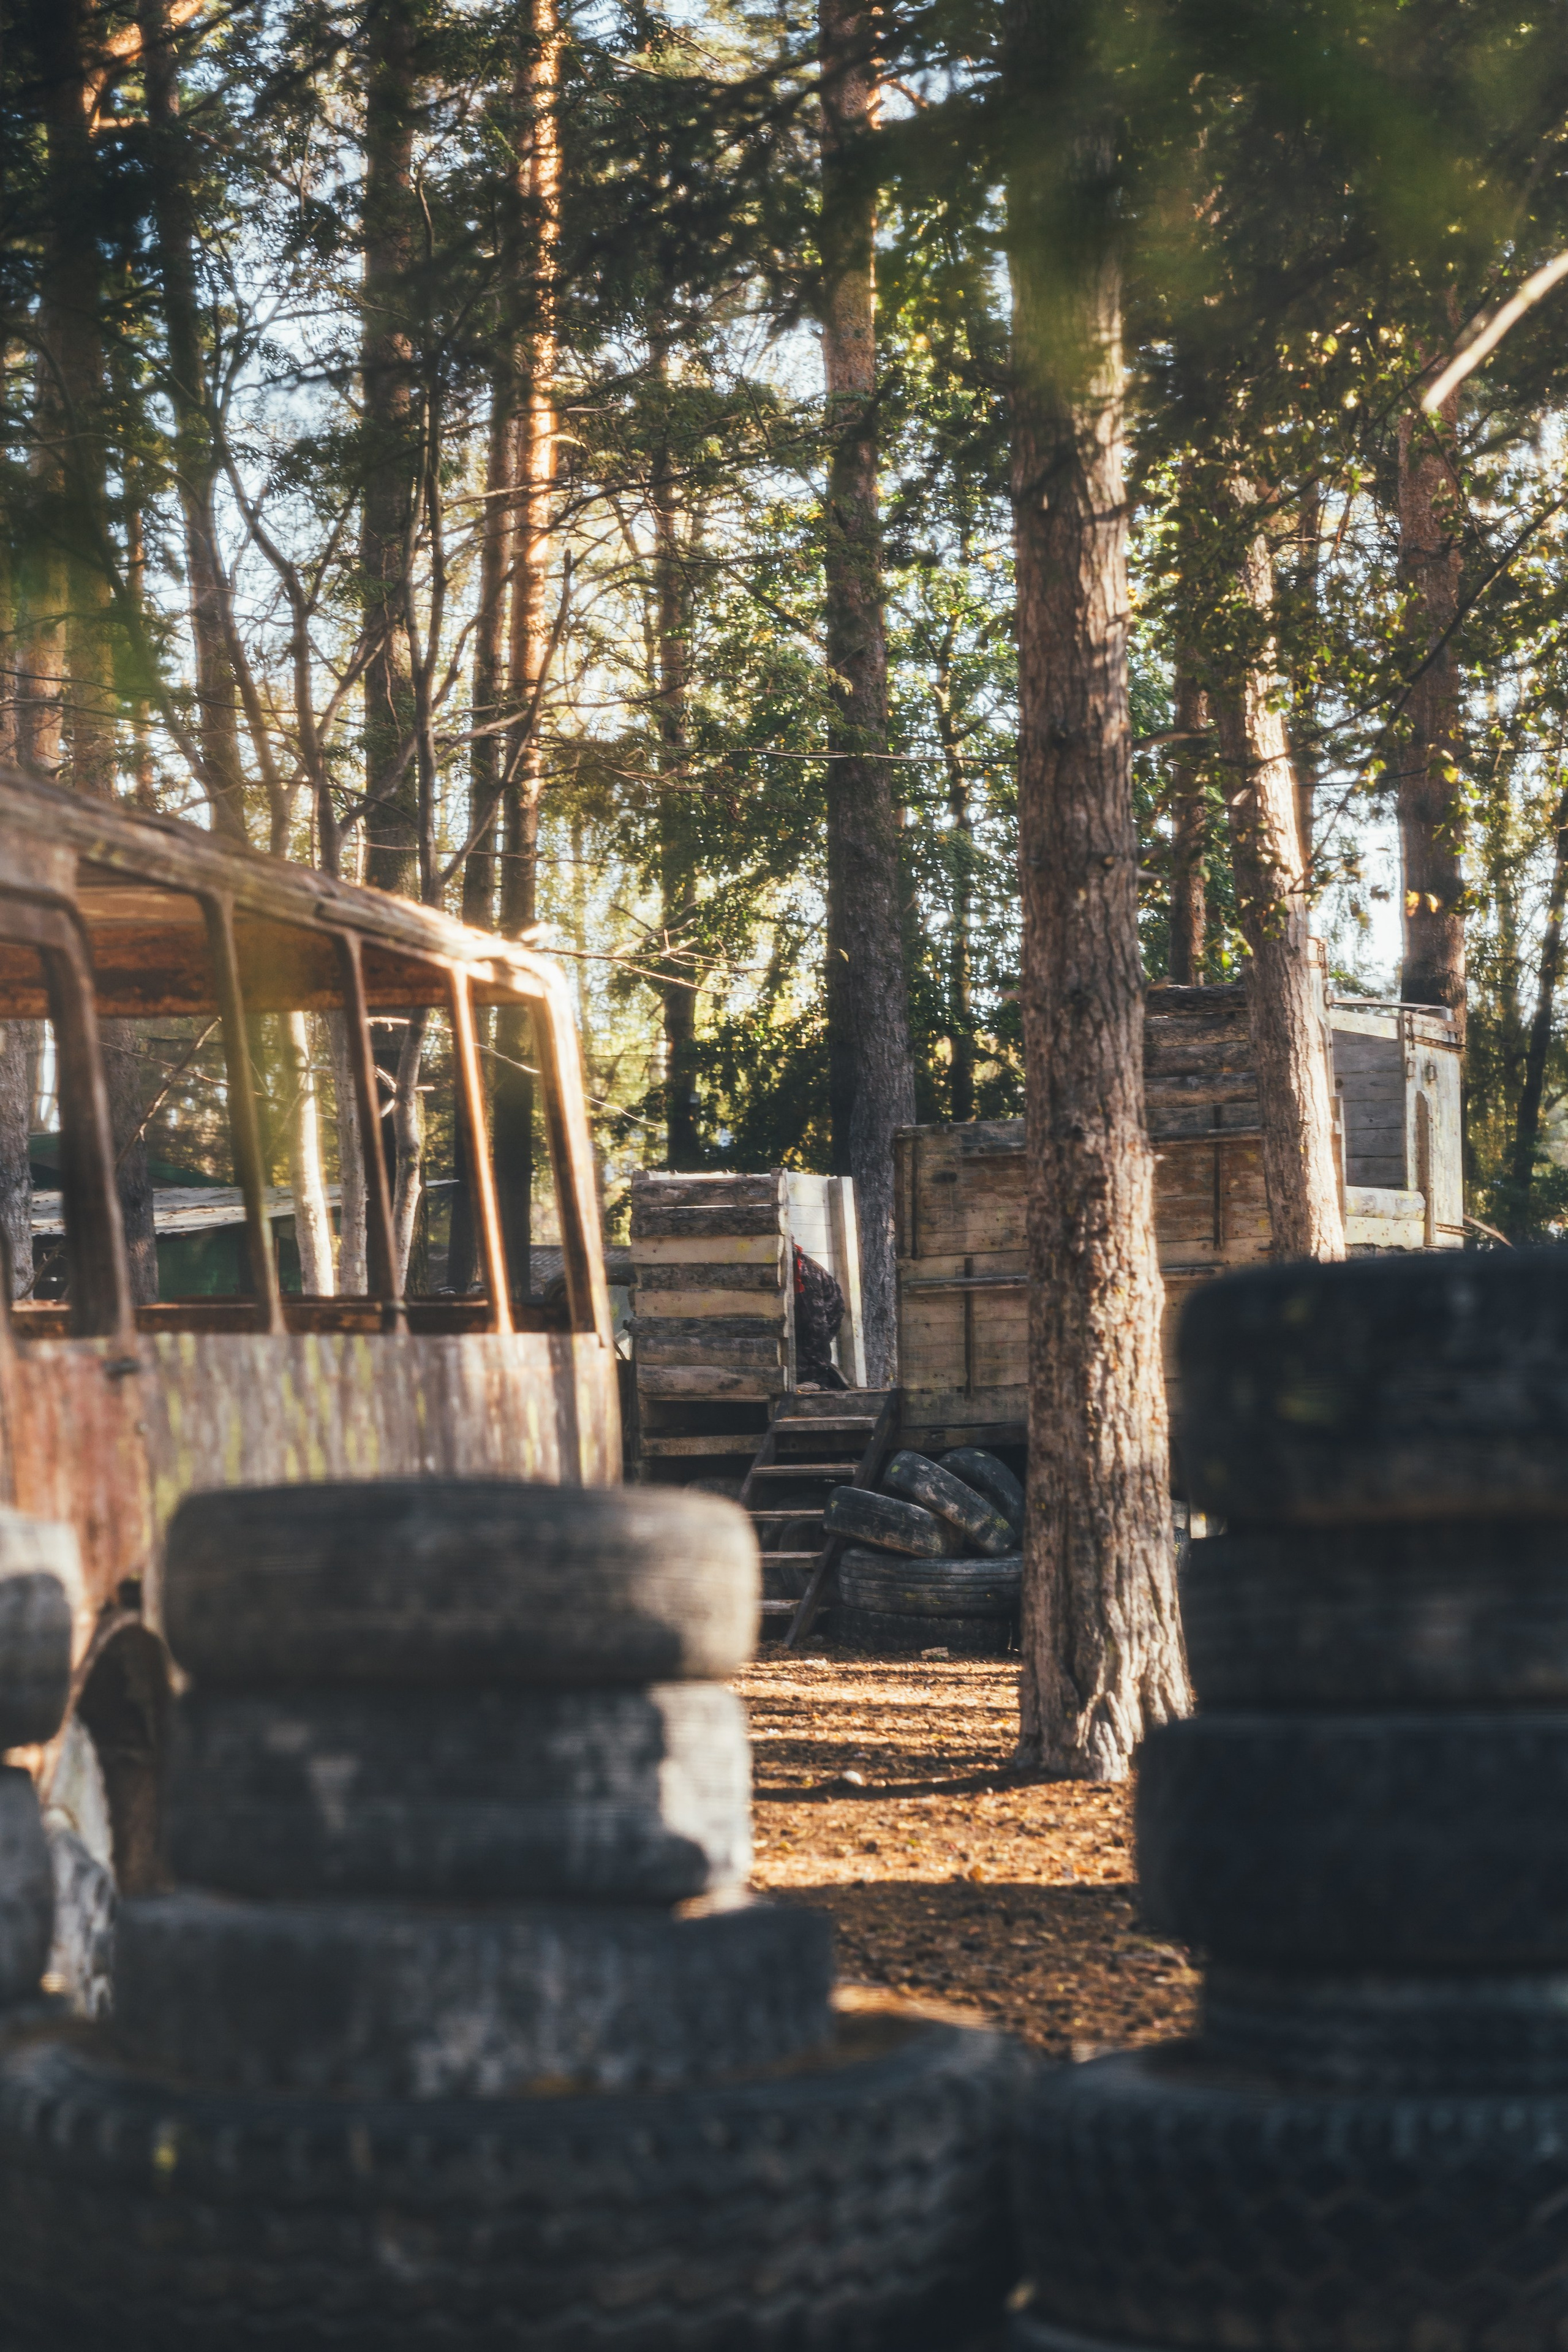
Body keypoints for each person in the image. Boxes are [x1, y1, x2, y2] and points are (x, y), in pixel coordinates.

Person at [793, 1242, 848, 1389]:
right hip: (810, 1321)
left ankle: (817, 1380)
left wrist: (815, 1376)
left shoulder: (806, 1275)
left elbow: (817, 1328)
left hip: (825, 1317)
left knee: (812, 1338)